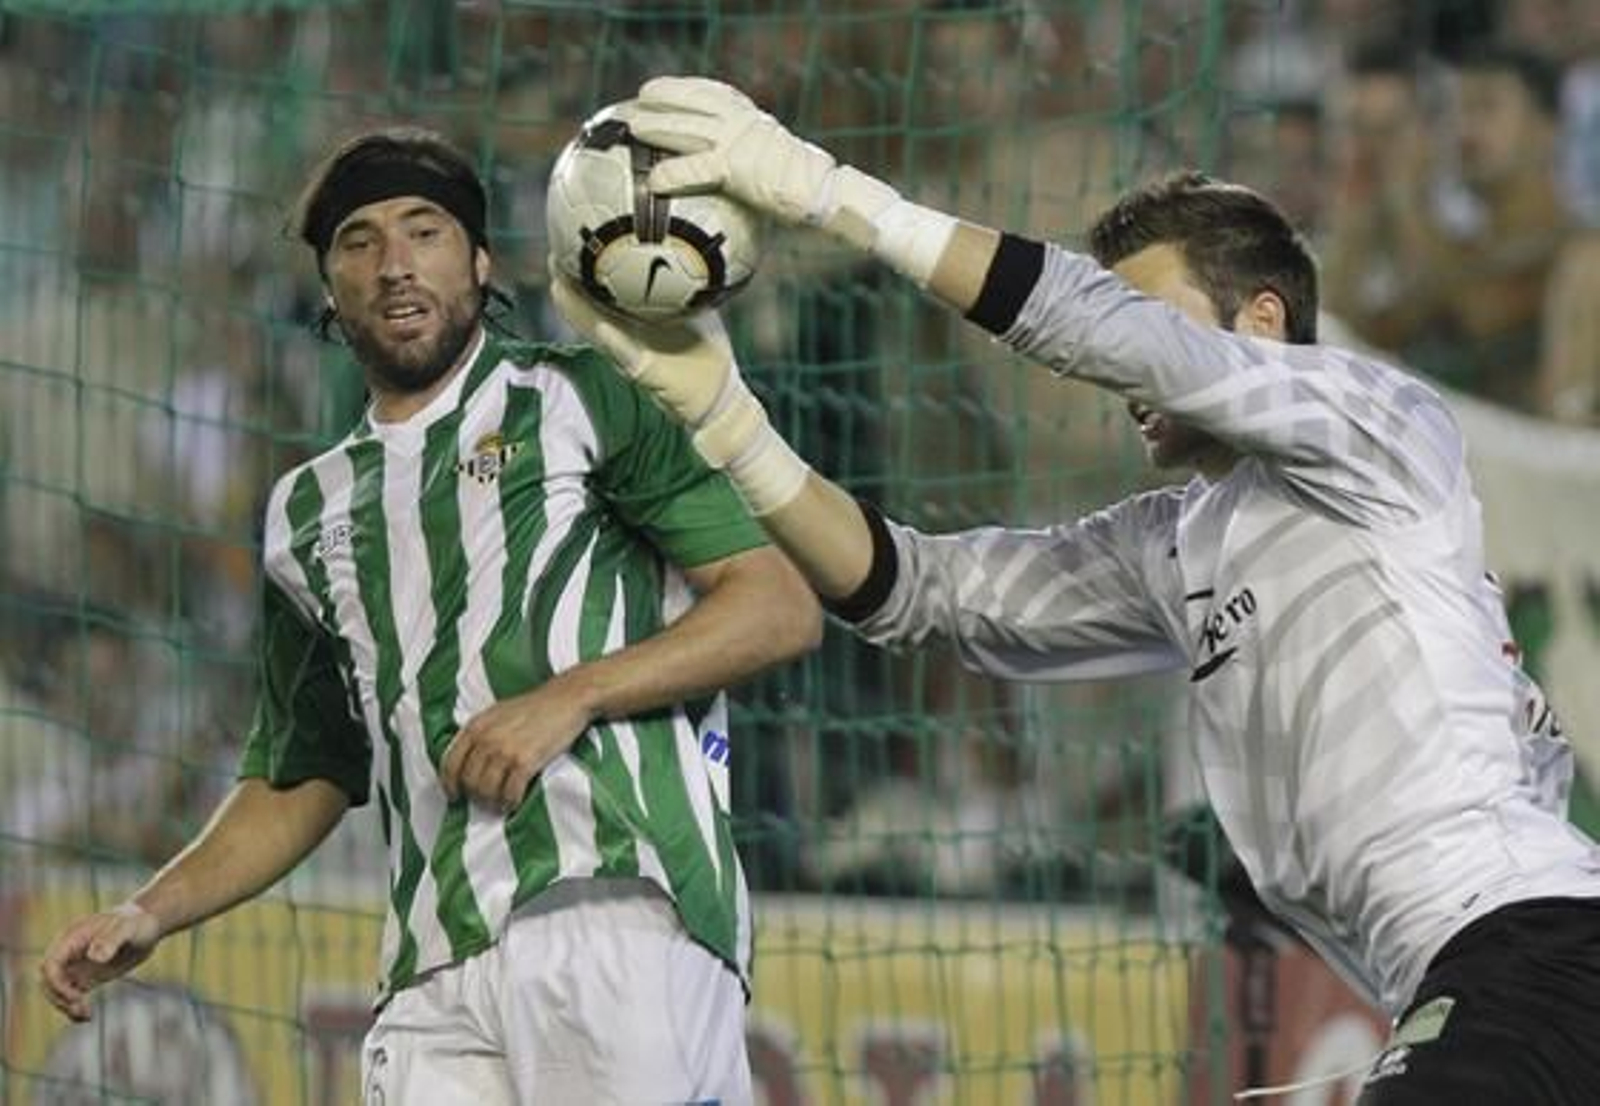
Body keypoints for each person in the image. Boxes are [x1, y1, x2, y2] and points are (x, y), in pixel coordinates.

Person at [548, 76, 1600, 1102]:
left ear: (1264, 320)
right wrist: (729, 418)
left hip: (1528, 942)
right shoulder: (1172, 544)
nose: (1122, 371)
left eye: (1149, 315)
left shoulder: (1378, 423)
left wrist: (826, 190)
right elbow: (921, 590)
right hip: (1483, 969)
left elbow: (1113, 337)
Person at [37, 123, 822, 1106]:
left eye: (424, 230)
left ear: (481, 260)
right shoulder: (302, 514)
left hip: (614, 899)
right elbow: (305, 769)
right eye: (358, 242)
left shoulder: (586, 396)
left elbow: (777, 606)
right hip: (430, 963)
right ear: (329, 290)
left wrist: (568, 697)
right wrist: (153, 907)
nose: (394, 263)